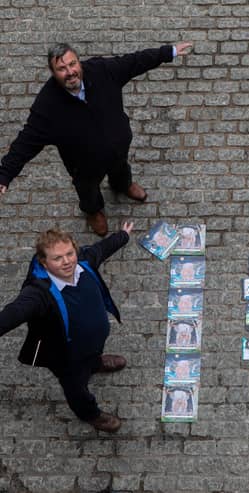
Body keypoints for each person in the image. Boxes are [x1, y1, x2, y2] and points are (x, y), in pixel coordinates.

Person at [0, 41, 192, 236]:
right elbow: (26, 141)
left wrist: (169, 52)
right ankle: (93, 212)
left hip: (118, 148)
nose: (70, 72)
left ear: (79, 62)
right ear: (53, 72)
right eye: (62, 68)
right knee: (88, 191)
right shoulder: (47, 106)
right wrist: (5, 174)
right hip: (84, 166)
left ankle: (122, 185)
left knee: (121, 169)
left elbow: (135, 61)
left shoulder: (102, 70)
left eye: (72, 64)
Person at [0, 222, 135, 432]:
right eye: (57, 258)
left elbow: (101, 250)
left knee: (91, 358)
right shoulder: (38, 293)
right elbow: (14, 313)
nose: (66, 262)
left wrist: (123, 236)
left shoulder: (83, 262)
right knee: (76, 388)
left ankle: (95, 363)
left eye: (69, 254)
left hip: (92, 344)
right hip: (66, 356)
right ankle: (90, 414)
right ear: (44, 263)